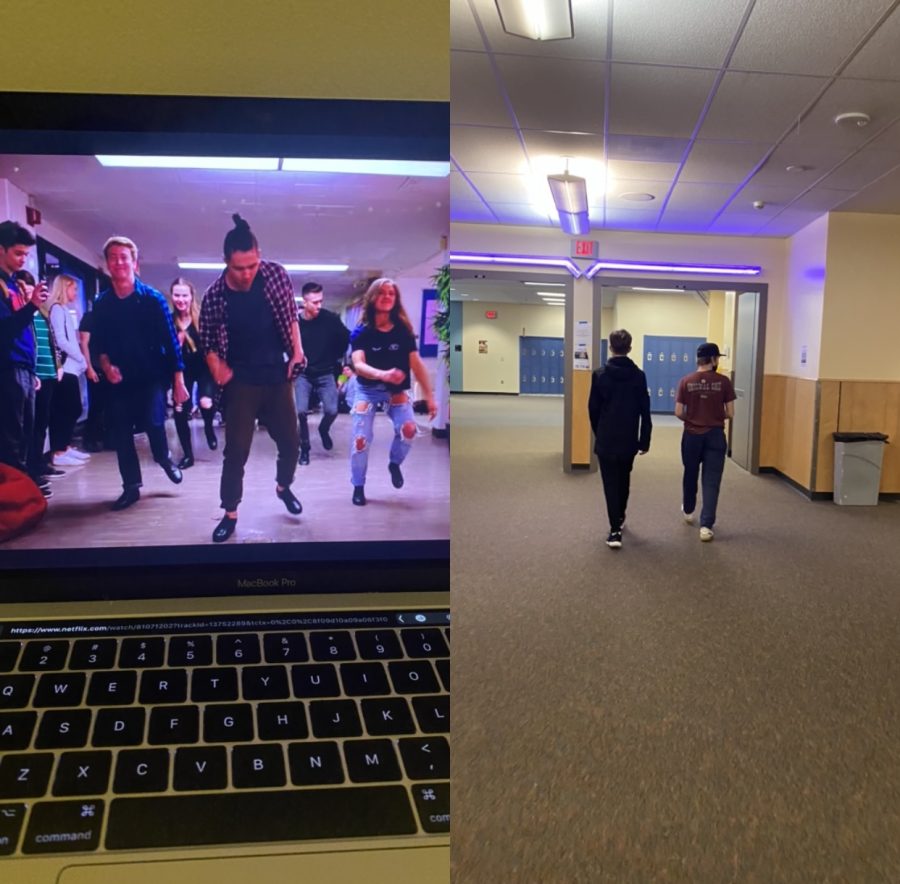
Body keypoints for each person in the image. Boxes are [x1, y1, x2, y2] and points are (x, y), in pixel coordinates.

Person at [199, 214, 306, 543]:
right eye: (239, 268)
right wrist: (217, 366)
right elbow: (207, 341)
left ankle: (283, 486)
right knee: (236, 452)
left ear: (259, 257)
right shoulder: (215, 295)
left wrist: (298, 352)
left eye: (252, 265)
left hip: (276, 374)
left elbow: (290, 316)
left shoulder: (274, 275)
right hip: (241, 380)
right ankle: (230, 514)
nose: (247, 274)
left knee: (292, 443)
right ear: (226, 262)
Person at [91, 235, 188, 511]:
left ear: (135, 263)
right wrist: (106, 366)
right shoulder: (102, 303)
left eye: (125, 257)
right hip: (118, 380)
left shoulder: (153, 300)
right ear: (107, 263)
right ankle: (131, 486)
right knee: (121, 433)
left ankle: (164, 457)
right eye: (114, 257)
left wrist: (178, 380)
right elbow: (97, 342)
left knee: (155, 423)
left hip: (150, 377)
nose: (119, 262)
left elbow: (171, 342)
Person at [348, 277, 437, 506]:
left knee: (408, 429)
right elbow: (358, 365)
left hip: (396, 391)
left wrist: (430, 397)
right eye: (382, 293)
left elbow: (417, 365)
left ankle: (394, 463)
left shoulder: (403, 331)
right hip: (367, 390)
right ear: (372, 297)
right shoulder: (362, 332)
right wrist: (383, 374)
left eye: (391, 293)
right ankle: (358, 486)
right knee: (361, 440)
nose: (387, 297)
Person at [587, 328, 652, 549]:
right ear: (630, 348)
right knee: (624, 480)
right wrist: (645, 439)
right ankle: (620, 516)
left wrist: (600, 432)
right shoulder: (639, 375)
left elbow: (592, 410)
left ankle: (614, 530)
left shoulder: (599, 374)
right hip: (628, 438)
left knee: (610, 483)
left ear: (611, 347)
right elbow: (645, 409)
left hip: (607, 437)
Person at [0, 221, 49, 482]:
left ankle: (24, 489)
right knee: (11, 436)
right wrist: (31, 306)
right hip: (8, 368)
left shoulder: (14, 284)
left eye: (26, 255)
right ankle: (13, 498)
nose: (23, 260)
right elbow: (5, 330)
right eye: (18, 253)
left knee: (25, 435)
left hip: (25, 368)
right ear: (1, 250)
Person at [675, 342, 736, 542]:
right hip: (715, 435)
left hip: (691, 435)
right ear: (712, 360)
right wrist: (713, 417)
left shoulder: (685, 381)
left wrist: (692, 419)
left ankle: (688, 509)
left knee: (690, 472)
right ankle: (706, 526)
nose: (718, 361)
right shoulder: (724, 382)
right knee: (711, 480)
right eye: (717, 358)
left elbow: (678, 412)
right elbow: (730, 413)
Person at [294, 282, 350, 465]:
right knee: (301, 411)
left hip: (325, 373)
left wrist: (339, 363)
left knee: (332, 410)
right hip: (303, 374)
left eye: (321, 301)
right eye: (315, 302)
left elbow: (346, 339)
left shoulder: (330, 320)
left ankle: (324, 429)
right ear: (305, 302)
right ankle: (305, 449)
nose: (319, 306)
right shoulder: (295, 323)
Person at [18, 271, 63, 496]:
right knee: (30, 425)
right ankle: (29, 472)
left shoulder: (42, 314)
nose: (28, 294)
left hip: (48, 374)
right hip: (33, 376)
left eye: (30, 289)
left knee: (42, 421)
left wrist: (58, 366)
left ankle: (37, 465)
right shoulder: (22, 315)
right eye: (24, 290)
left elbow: (50, 340)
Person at [169, 277, 217, 469]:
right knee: (180, 411)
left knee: (205, 402)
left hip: (204, 368)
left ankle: (208, 427)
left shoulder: (202, 319)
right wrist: (176, 345)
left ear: (191, 296)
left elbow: (214, 345)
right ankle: (188, 455)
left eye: (184, 295)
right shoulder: (169, 322)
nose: (181, 299)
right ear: (172, 297)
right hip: (182, 372)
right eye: (177, 295)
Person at [47, 274, 90, 467]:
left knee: (73, 407)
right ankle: (59, 450)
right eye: (73, 289)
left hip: (72, 368)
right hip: (65, 368)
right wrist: (81, 357)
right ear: (65, 288)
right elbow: (61, 340)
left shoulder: (65, 310)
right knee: (68, 408)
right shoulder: (56, 309)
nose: (75, 293)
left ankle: (65, 446)